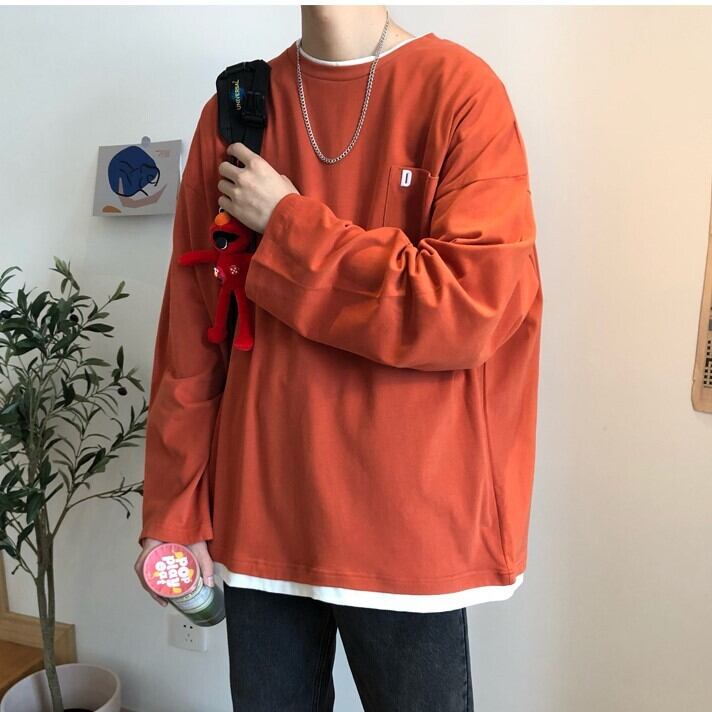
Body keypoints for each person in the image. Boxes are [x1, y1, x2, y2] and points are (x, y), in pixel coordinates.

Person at [134, 5, 542, 710]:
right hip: (260, 518)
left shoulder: (459, 90)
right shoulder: (237, 109)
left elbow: (469, 308)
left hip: (409, 531)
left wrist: (287, 224)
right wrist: (173, 512)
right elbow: (194, 336)